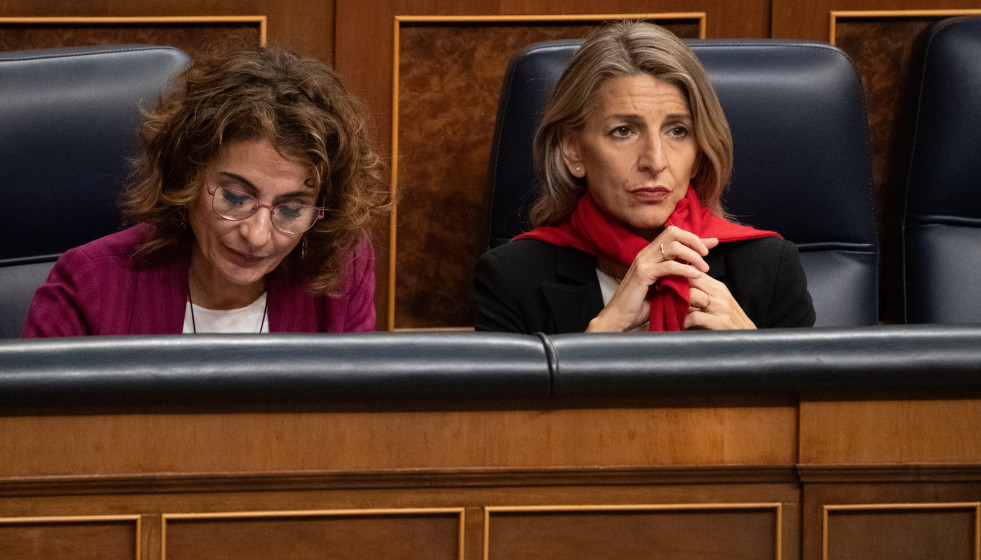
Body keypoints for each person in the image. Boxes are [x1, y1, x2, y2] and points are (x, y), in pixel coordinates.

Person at [22, 44, 389, 336]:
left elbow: (349, 425)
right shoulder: (88, 284)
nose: (257, 236)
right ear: (189, 177)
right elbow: (33, 428)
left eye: (291, 210)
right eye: (235, 197)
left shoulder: (340, 271)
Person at [475, 21, 815, 334]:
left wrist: (757, 354)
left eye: (678, 131)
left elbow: (814, 401)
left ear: (699, 153)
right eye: (623, 131)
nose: (655, 161)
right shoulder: (511, 281)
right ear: (573, 151)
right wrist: (592, 347)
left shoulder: (771, 270)